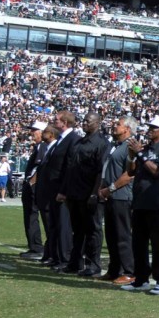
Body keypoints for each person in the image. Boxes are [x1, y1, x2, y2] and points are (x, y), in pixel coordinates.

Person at [120, 117, 159, 295]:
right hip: (140, 201)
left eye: (154, 127)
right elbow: (131, 171)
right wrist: (131, 155)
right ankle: (141, 278)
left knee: (157, 244)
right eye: (150, 126)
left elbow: (157, 171)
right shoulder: (146, 148)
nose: (150, 129)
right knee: (139, 243)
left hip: (155, 201)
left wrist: (140, 154)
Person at [60, 111, 109, 277]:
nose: (85, 123)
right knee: (77, 230)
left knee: (93, 229)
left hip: (89, 193)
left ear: (97, 123)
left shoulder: (102, 143)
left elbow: (100, 171)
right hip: (75, 192)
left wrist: (95, 194)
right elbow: (70, 168)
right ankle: (75, 262)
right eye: (84, 120)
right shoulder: (79, 142)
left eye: (88, 121)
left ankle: (93, 264)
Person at [97, 116, 138, 285]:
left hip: (122, 196)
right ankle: (115, 269)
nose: (115, 126)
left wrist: (110, 189)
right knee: (112, 235)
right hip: (111, 196)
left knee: (122, 235)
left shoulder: (130, 146)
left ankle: (130, 271)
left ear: (127, 129)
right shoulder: (117, 146)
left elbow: (129, 175)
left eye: (118, 124)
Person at [38, 111, 77, 271]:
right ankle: (56, 256)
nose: (54, 122)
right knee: (54, 224)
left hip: (61, 191)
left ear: (65, 122)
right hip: (53, 190)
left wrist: (64, 190)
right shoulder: (61, 140)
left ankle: (65, 258)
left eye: (57, 120)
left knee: (63, 225)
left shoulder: (72, 140)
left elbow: (69, 167)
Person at [18, 122, 47, 259]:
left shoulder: (42, 146)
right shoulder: (39, 146)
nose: (32, 133)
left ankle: (37, 248)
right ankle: (36, 247)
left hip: (35, 186)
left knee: (32, 215)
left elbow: (40, 166)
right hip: (35, 185)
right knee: (31, 216)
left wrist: (31, 182)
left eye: (35, 130)